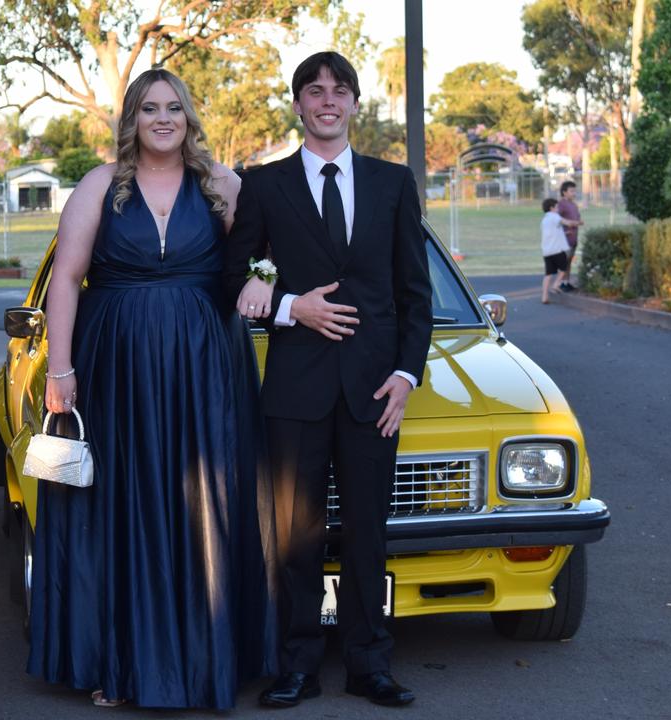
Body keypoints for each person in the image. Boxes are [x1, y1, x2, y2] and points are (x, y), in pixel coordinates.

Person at [30, 68, 278, 710]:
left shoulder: (222, 185)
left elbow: (268, 255)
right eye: (148, 109)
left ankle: (206, 661)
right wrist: (61, 369)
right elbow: (66, 282)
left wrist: (264, 279)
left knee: (205, 505)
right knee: (124, 508)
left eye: (173, 107)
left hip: (206, 371)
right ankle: (121, 664)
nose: (162, 118)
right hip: (116, 368)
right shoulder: (97, 187)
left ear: (189, 116)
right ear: (132, 119)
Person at [224, 51, 432, 709]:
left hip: (375, 392)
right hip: (295, 391)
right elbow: (238, 275)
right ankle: (298, 666)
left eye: (339, 91)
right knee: (296, 537)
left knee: (368, 535)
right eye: (314, 91)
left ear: (355, 104)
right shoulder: (263, 184)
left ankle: (370, 665)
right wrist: (290, 305)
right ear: (298, 105)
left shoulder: (393, 183)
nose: (327, 101)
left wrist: (405, 374)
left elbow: (414, 294)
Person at [540, 198, 573, 304]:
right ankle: (556, 284)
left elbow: (552, 232)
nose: (558, 209)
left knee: (548, 274)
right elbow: (566, 222)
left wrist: (565, 234)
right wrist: (576, 223)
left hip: (547, 251)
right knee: (564, 268)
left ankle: (544, 296)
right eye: (557, 207)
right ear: (552, 208)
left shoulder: (544, 220)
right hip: (557, 250)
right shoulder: (555, 216)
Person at [556, 180, 584, 290]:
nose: (574, 193)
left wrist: (578, 221)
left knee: (569, 262)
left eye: (575, 191)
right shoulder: (561, 205)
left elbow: (576, 217)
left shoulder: (573, 205)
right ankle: (560, 283)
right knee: (564, 262)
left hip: (573, 238)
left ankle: (566, 282)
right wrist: (564, 231)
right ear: (564, 192)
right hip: (565, 239)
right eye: (571, 191)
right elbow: (557, 220)